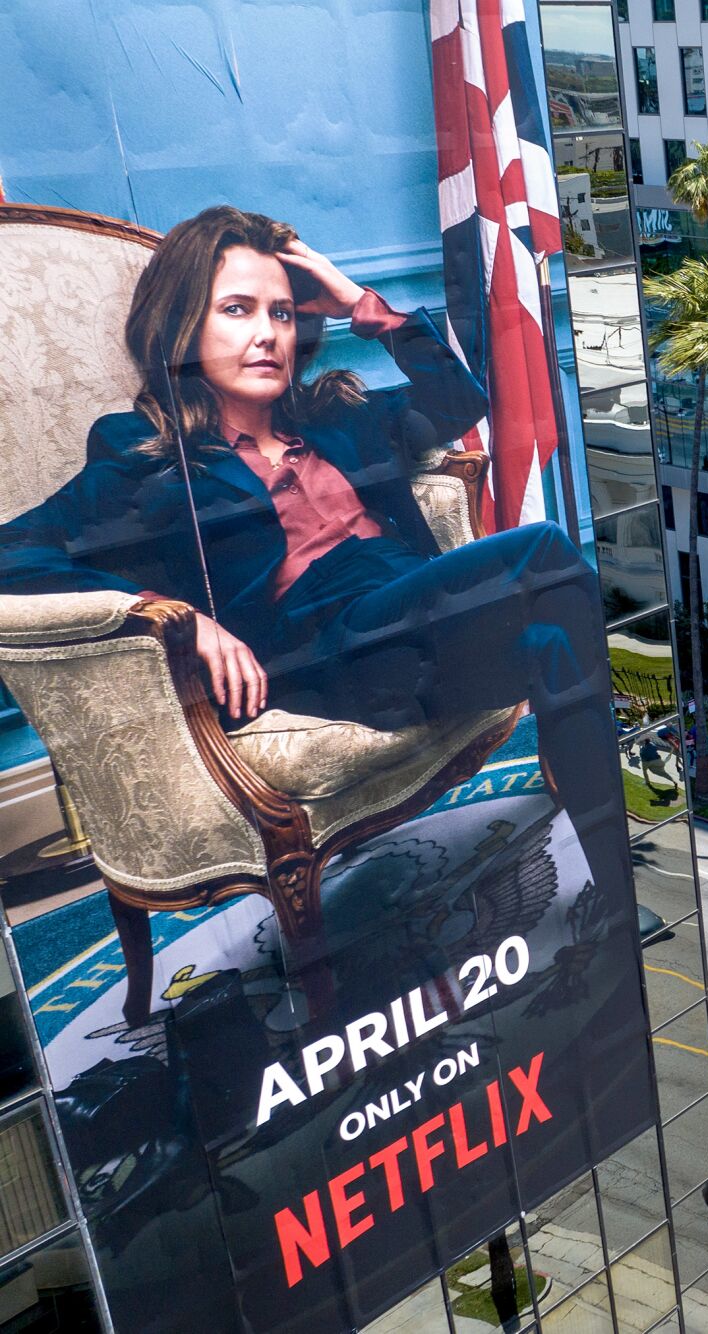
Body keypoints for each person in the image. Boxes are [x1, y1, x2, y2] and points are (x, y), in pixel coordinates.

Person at [0, 206, 636, 906]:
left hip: (419, 625)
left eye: (279, 312)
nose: (266, 333)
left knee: (551, 643)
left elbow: (462, 399)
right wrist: (167, 612)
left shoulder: (334, 417)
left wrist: (354, 299)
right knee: (544, 552)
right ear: (182, 326)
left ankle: (615, 890)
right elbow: (15, 553)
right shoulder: (147, 453)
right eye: (237, 310)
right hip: (323, 654)